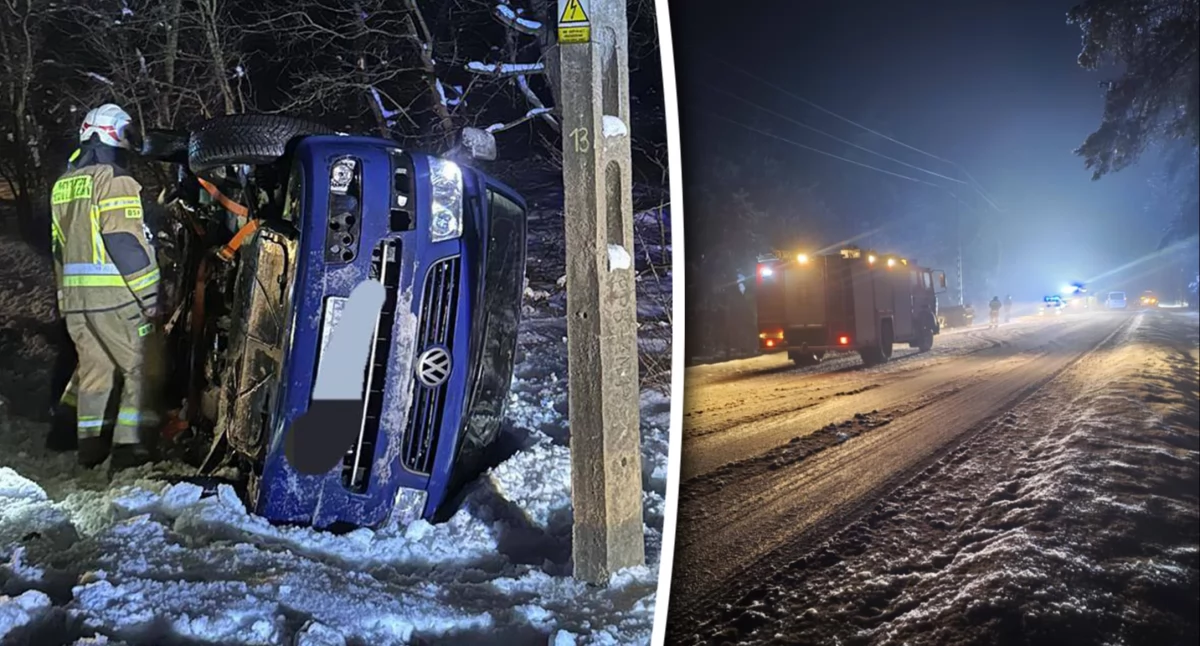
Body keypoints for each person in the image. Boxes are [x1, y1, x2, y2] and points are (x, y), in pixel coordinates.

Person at [49, 103, 164, 473]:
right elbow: (124, 242)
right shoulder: (115, 180)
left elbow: (57, 248)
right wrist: (150, 295)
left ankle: (90, 448)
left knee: (95, 371)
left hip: (77, 302)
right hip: (115, 297)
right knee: (140, 368)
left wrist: (65, 299)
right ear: (115, 133)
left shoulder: (64, 184)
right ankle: (130, 451)